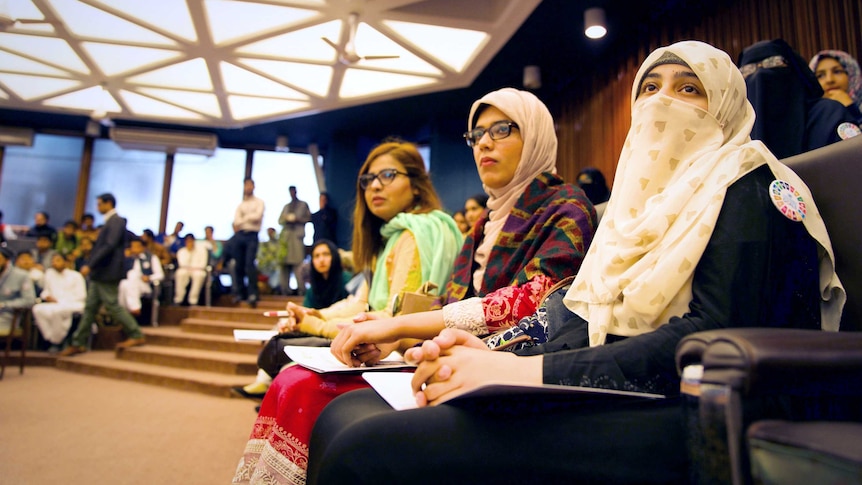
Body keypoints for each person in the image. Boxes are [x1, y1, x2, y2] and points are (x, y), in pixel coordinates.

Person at [306, 41, 846, 485]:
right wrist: (491, 350)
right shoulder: (641, 208)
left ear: (727, 104)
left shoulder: (748, 182)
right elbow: (576, 307)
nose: (663, 103)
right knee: (341, 417)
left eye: (689, 90)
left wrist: (521, 370)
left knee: (368, 447)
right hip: (597, 378)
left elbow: (711, 331)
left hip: (682, 402)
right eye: (650, 89)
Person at [233, 89, 596, 484]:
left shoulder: (568, 206)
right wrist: (394, 339)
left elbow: (534, 300)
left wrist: (399, 328)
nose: (484, 143)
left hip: (512, 369)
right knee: (293, 378)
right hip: (442, 355)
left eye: (502, 129)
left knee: (312, 391)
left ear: (537, 137)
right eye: (476, 135)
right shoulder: (483, 225)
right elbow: (453, 301)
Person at [232, 139, 469, 483]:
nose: (374, 185)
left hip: (406, 350)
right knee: (287, 363)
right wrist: (313, 315)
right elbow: (362, 303)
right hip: (381, 339)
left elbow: (394, 317)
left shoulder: (418, 233)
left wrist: (318, 324)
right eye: (368, 179)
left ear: (417, 183)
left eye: (387, 175)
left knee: (293, 376)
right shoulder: (391, 236)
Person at [234, 238, 354, 398]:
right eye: (317, 256)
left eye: (326, 254)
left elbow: (345, 310)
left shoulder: (347, 280)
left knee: (285, 357)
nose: (321, 260)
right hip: (313, 328)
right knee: (280, 326)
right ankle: (263, 384)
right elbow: (304, 311)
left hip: (333, 330)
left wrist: (309, 319)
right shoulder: (314, 286)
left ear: (334, 256)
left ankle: (268, 389)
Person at [59, 193, 147, 356]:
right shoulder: (111, 221)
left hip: (108, 271)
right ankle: (79, 342)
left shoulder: (116, 221)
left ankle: (136, 333)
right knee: (90, 308)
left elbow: (109, 245)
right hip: (102, 272)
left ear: (108, 204)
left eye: (100, 204)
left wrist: (90, 265)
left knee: (112, 305)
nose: (97, 207)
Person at [738, 38, 857, 159]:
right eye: (748, 70)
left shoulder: (828, 115)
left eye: (772, 63)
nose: (760, 74)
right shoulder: (737, 134)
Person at [32, 253, 86, 352]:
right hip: (54, 304)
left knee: (57, 312)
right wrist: (46, 296)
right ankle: (52, 338)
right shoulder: (49, 274)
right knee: (37, 309)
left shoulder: (76, 276)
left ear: (65, 262)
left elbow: (81, 296)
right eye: (53, 261)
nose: (54, 263)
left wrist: (60, 301)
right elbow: (46, 290)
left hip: (72, 304)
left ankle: (57, 342)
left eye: (58, 260)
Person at [231, 178, 265, 308]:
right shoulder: (241, 205)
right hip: (240, 235)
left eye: (250, 185)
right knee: (238, 264)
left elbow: (257, 217)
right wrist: (248, 218)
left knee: (249, 264)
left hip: (252, 235)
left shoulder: (259, 202)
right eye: (246, 185)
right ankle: (241, 293)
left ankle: (253, 294)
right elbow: (236, 222)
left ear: (254, 186)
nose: (248, 187)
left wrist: (244, 219)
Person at [809, 49, 862, 126]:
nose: (829, 80)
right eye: (820, 75)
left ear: (852, 76)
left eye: (837, 71)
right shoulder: (809, 118)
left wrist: (852, 110)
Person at [278, 185, 312, 295]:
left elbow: (309, 218)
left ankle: (301, 290)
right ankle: (285, 290)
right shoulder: (286, 206)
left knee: (298, 264)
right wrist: (286, 219)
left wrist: (298, 219)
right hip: (286, 238)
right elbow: (280, 220)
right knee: (284, 264)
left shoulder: (303, 205)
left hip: (297, 237)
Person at [118, 237, 165, 316]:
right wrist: (125, 258)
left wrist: (149, 278)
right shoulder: (128, 258)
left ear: (143, 247)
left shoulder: (151, 258)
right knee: (124, 283)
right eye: (133, 247)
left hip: (145, 285)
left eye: (137, 246)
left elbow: (160, 275)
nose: (135, 249)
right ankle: (131, 309)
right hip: (129, 284)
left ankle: (125, 312)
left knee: (132, 277)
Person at [0, 247, 36, 337]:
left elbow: (29, 301)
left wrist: (4, 304)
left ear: (7, 261)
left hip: (7, 316)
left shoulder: (21, 275)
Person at [173, 234, 209, 306]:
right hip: (185, 270)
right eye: (188, 241)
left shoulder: (202, 251)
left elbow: (203, 264)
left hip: (198, 270)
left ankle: (193, 300)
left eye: (191, 241)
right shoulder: (181, 251)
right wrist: (189, 252)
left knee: (199, 275)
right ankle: (178, 299)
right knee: (180, 273)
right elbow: (182, 264)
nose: (190, 243)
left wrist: (192, 267)